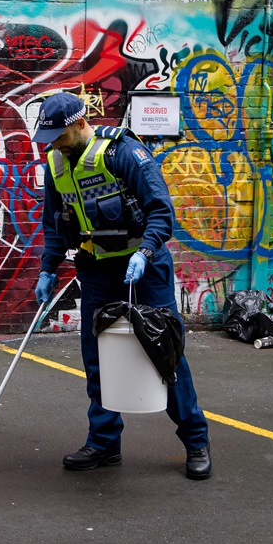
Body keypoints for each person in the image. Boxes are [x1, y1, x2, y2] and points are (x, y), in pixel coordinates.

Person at [32, 92, 211, 480]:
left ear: (80, 124)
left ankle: (196, 440)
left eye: (59, 136)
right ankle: (103, 443)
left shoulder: (124, 152)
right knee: (99, 360)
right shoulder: (56, 163)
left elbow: (161, 210)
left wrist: (145, 251)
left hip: (144, 268)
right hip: (96, 270)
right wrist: (47, 269)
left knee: (166, 356)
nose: (54, 145)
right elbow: (53, 224)